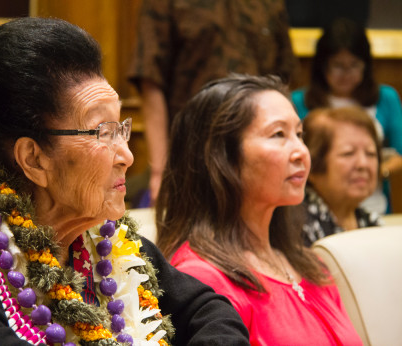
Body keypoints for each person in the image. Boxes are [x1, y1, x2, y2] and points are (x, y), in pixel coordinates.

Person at [0, 17, 250, 346]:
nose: (126, 155)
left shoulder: (106, 237)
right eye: (103, 132)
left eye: (121, 129)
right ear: (34, 159)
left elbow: (212, 312)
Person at [156, 74, 362, 345]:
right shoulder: (201, 279)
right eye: (278, 134)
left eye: (299, 134)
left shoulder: (311, 264)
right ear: (220, 156)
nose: (301, 151)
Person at [127, 0, 299, 205]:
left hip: (258, 154)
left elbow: (283, 79)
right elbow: (151, 79)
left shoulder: (270, 4)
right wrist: (160, 170)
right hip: (189, 156)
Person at [291, 17, 402, 213]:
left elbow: (399, 153)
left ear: (366, 66)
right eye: (338, 65)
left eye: (354, 65)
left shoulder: (386, 97)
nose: (346, 73)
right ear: (323, 66)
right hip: (314, 207)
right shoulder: (299, 100)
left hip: (374, 205)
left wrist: (371, 170)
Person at [301, 106, 382, 246]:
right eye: (348, 153)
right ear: (313, 166)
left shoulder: (372, 223)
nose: (362, 164)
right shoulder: (296, 227)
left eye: (371, 153)